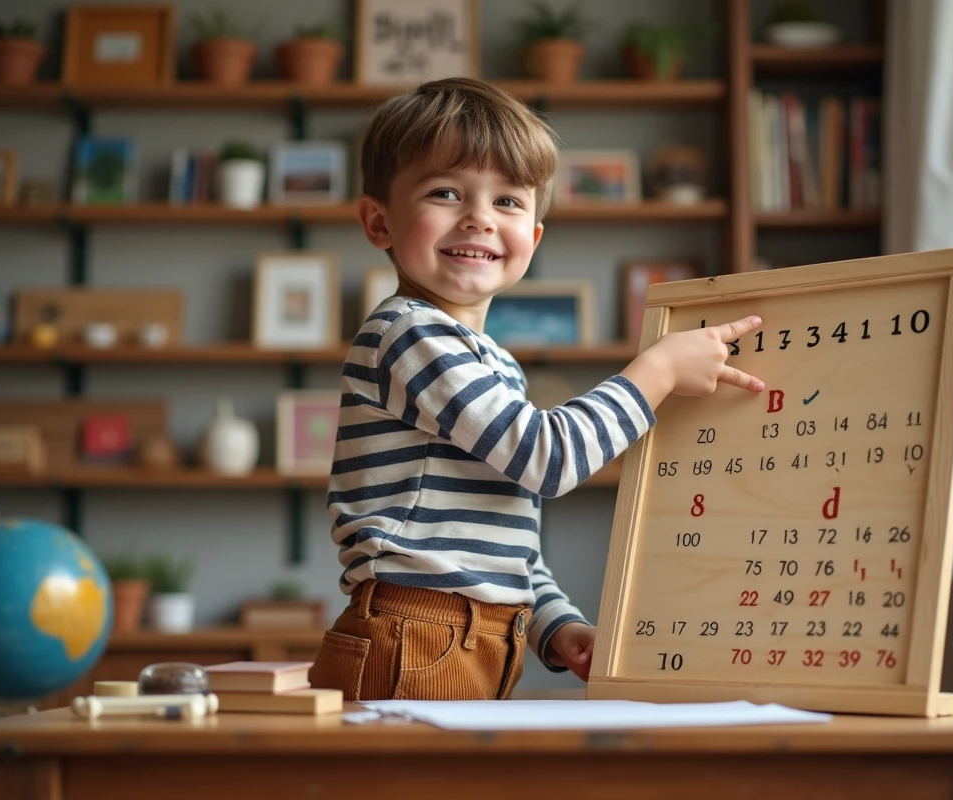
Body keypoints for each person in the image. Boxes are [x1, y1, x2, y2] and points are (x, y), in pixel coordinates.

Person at [308, 76, 765, 701]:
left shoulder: (490, 360)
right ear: (378, 220)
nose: (478, 218)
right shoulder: (407, 334)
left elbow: (509, 541)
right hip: (415, 632)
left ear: (535, 237)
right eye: (445, 192)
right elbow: (549, 459)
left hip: (480, 635)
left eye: (509, 202)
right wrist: (656, 371)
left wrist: (557, 626)